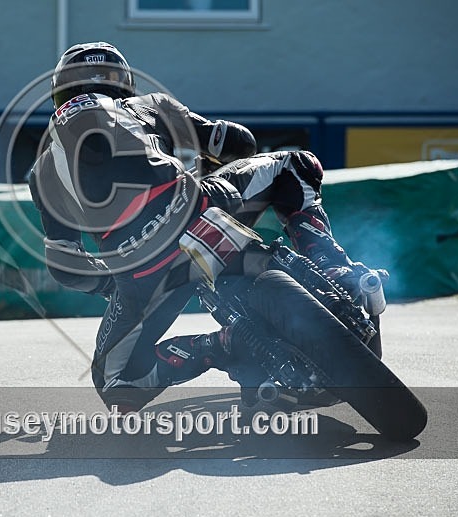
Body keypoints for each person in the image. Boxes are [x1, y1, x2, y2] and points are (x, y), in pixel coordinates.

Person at [28, 41, 371, 413]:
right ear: (123, 83)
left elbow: (65, 266)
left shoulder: (42, 172)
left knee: (117, 382)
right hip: (199, 206)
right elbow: (238, 142)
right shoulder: (150, 105)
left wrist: (112, 284)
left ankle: (223, 344)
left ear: (59, 93)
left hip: (139, 266)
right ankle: (331, 266)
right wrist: (209, 155)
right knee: (296, 164)